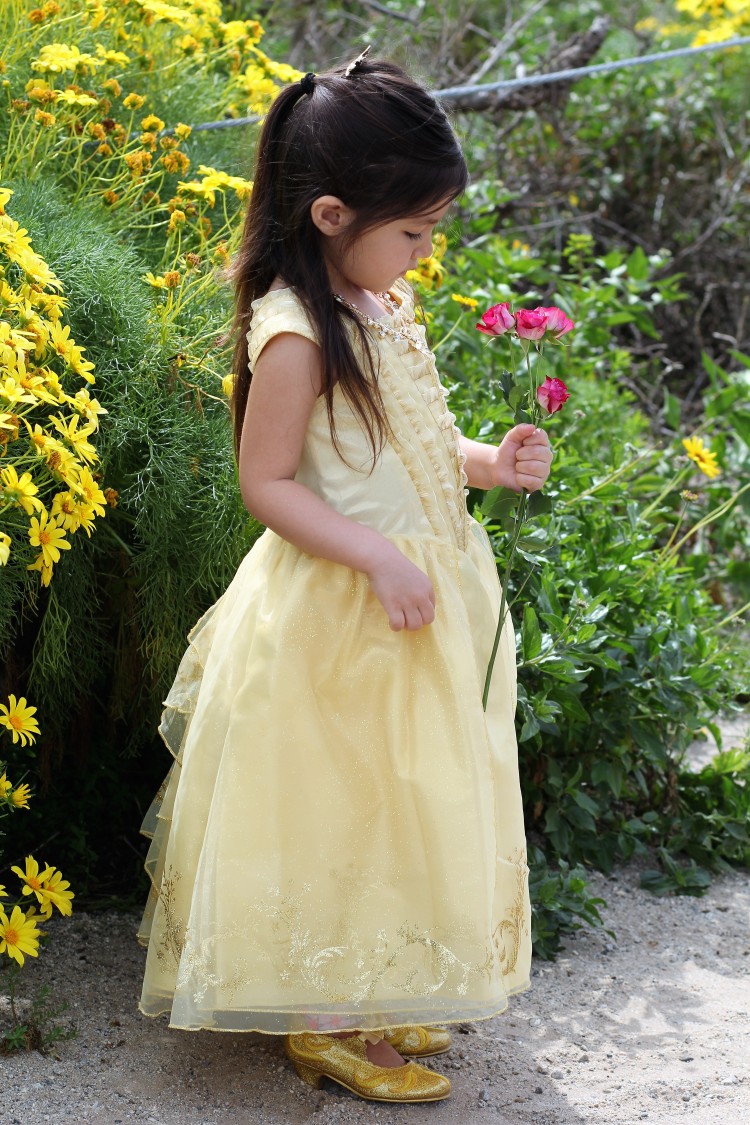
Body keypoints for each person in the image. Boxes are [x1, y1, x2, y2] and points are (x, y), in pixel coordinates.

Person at [136, 53, 552, 1105]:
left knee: (401, 804)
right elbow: (268, 483)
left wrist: (486, 463)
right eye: (413, 230)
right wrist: (373, 553)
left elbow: (411, 441)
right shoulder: (294, 333)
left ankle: (375, 978)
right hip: (337, 617)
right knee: (334, 809)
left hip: (411, 608)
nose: (425, 250)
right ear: (330, 215)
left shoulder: (383, 305)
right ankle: (323, 1015)